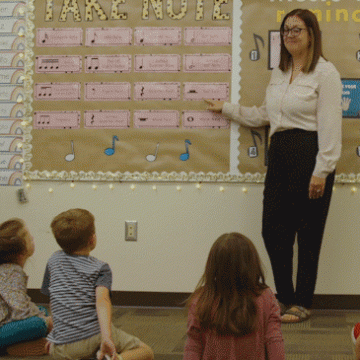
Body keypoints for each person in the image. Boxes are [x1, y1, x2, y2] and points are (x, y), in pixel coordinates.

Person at [206, 9, 342, 323]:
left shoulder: (325, 73)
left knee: (309, 235)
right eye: (286, 29)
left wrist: (322, 170)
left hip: (311, 155)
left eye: (298, 29)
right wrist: (226, 108)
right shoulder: (280, 72)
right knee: (273, 231)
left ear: (311, 34)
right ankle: (284, 297)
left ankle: (303, 302)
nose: (291, 34)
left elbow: (332, 127)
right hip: (280, 154)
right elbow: (265, 115)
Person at [41, 208, 154, 360]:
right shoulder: (100, 268)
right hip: (92, 336)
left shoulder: (53, 261)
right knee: (145, 351)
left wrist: (55, 335)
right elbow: (102, 301)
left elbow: (55, 300)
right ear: (92, 239)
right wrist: (106, 337)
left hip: (60, 349)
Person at [183, 232, 285, 360]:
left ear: (213, 265)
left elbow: (193, 348)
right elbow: (274, 342)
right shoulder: (266, 296)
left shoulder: (201, 299)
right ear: (252, 264)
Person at [0, 218, 53, 356]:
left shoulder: (8, 269)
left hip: (4, 322)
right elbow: (21, 313)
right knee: (38, 323)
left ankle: (17, 345)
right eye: (29, 238)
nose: (33, 238)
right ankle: (9, 348)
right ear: (21, 253)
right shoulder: (12, 272)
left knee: (40, 310)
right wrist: (48, 322)